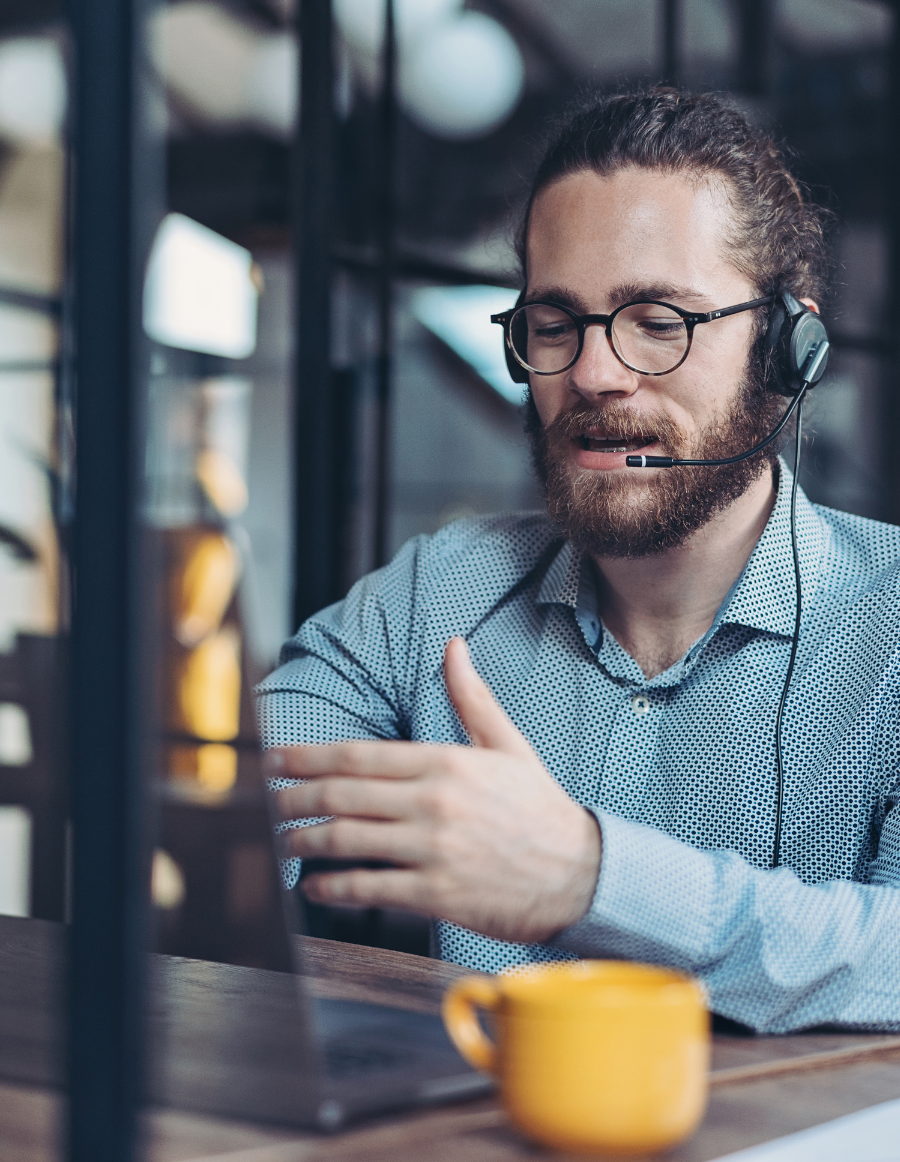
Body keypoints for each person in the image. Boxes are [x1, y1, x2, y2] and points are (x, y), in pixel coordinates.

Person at [257, 88, 900, 1033]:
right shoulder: (439, 593)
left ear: (784, 349)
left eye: (659, 320)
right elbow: (246, 796)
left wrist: (591, 879)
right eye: (556, 325)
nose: (595, 375)